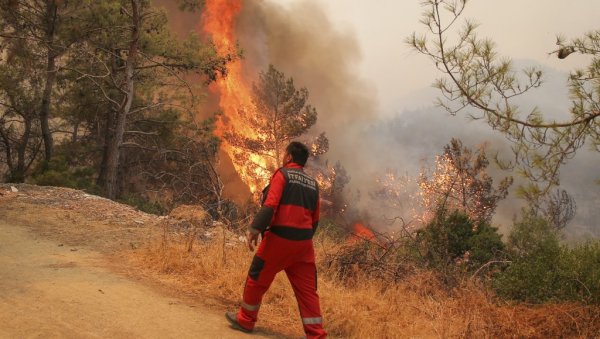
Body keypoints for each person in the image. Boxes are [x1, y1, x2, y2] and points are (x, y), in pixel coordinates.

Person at [225, 141, 327, 338]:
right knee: (308, 291)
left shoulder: (283, 174)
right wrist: (301, 240)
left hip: (279, 239)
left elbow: (271, 205)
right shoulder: (313, 184)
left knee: (257, 276)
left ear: (288, 157)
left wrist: (255, 228)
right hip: (304, 245)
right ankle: (316, 334)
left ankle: (245, 320)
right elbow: (315, 221)